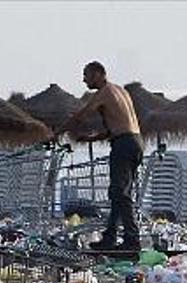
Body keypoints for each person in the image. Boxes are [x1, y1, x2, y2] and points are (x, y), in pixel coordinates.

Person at [55, 61, 144, 251]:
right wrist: (92, 138)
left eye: (86, 75)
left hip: (124, 144)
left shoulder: (104, 92)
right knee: (118, 193)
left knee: (121, 194)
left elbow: (82, 115)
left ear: (98, 74)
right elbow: (119, 125)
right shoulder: (121, 91)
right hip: (135, 141)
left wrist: (58, 132)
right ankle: (110, 237)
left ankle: (132, 239)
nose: (84, 80)